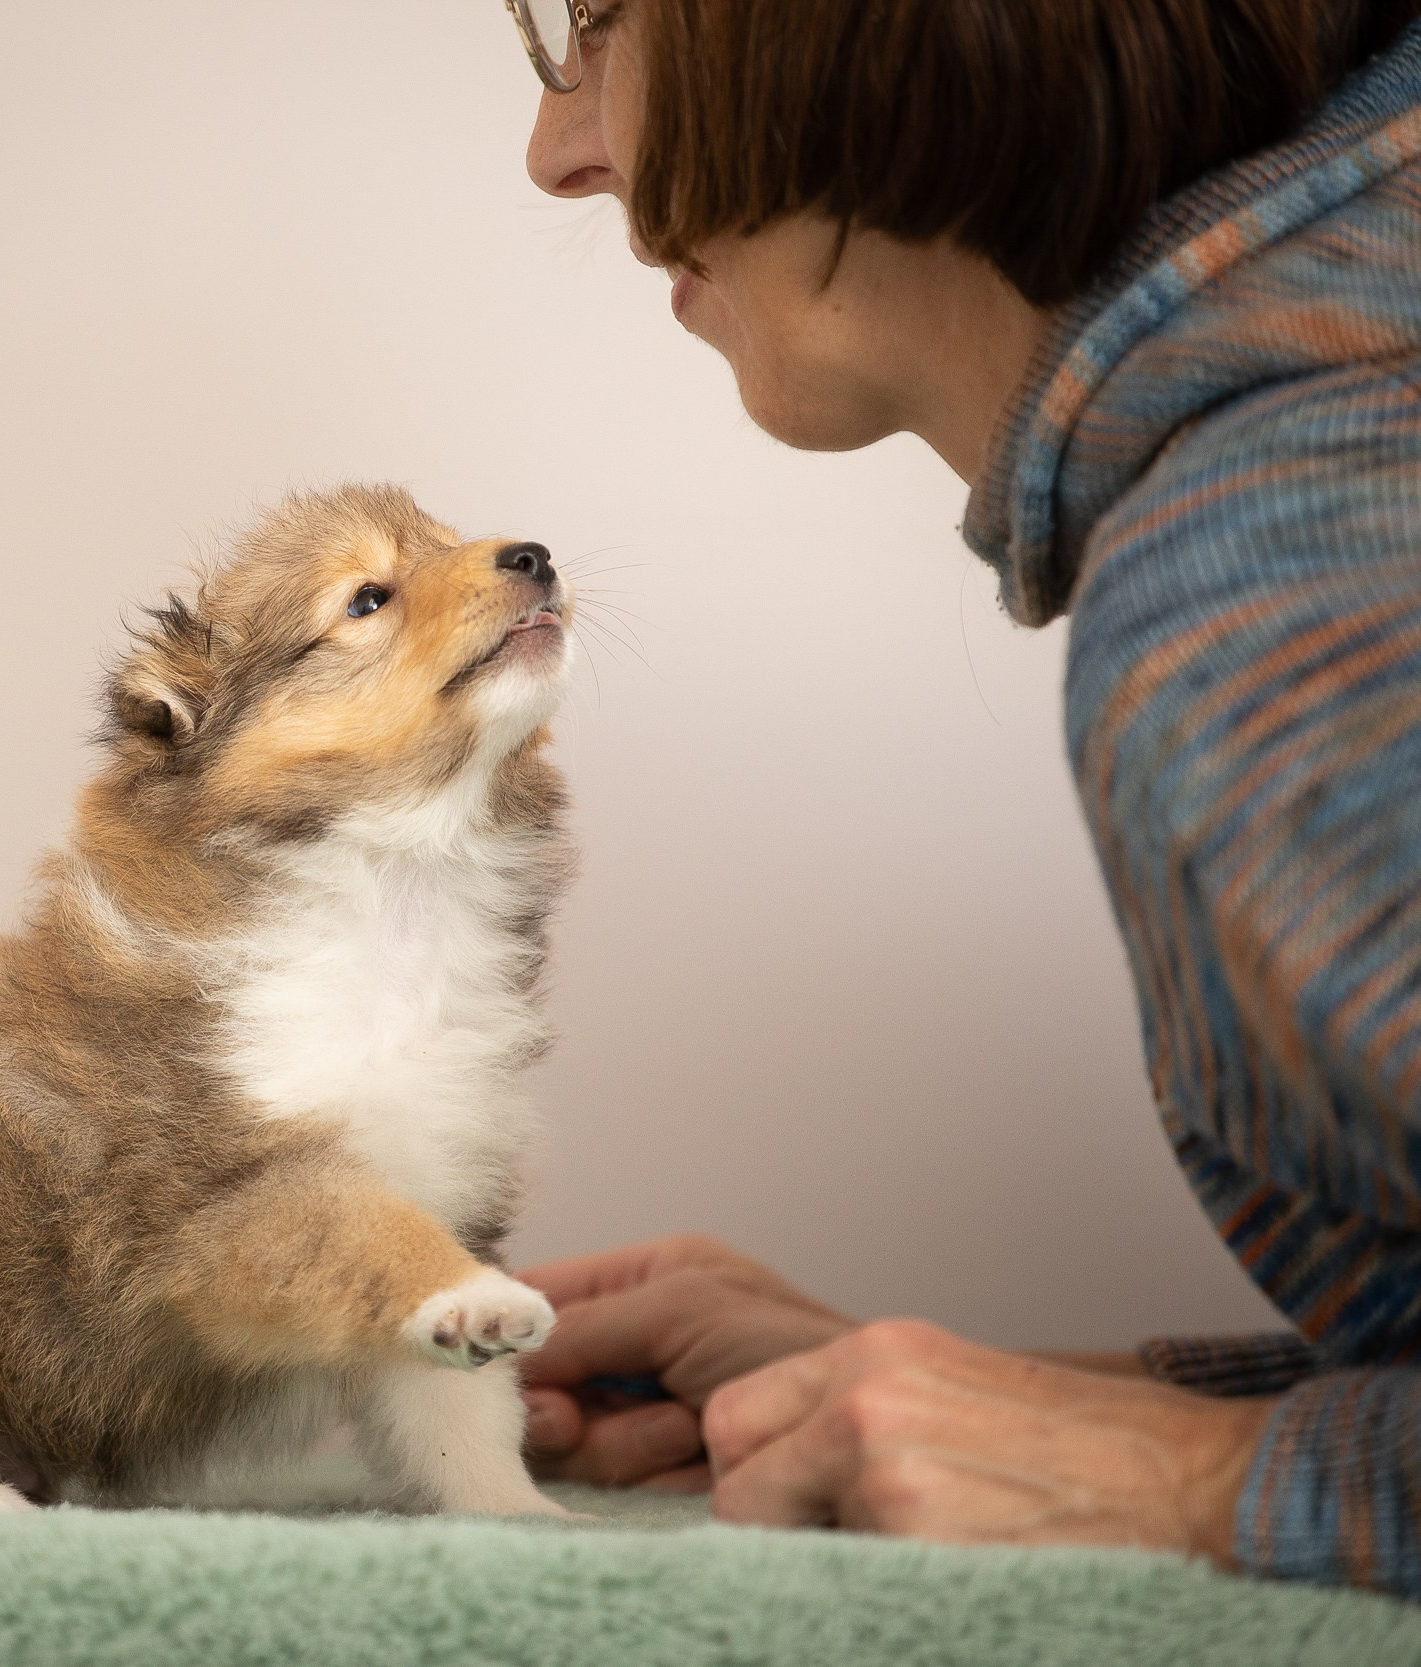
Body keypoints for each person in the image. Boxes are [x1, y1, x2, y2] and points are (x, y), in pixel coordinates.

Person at [498, 0, 1421, 1596]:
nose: (559, 152)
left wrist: (1193, 1478)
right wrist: (1025, 1407)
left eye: (601, 17)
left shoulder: (1283, 583)